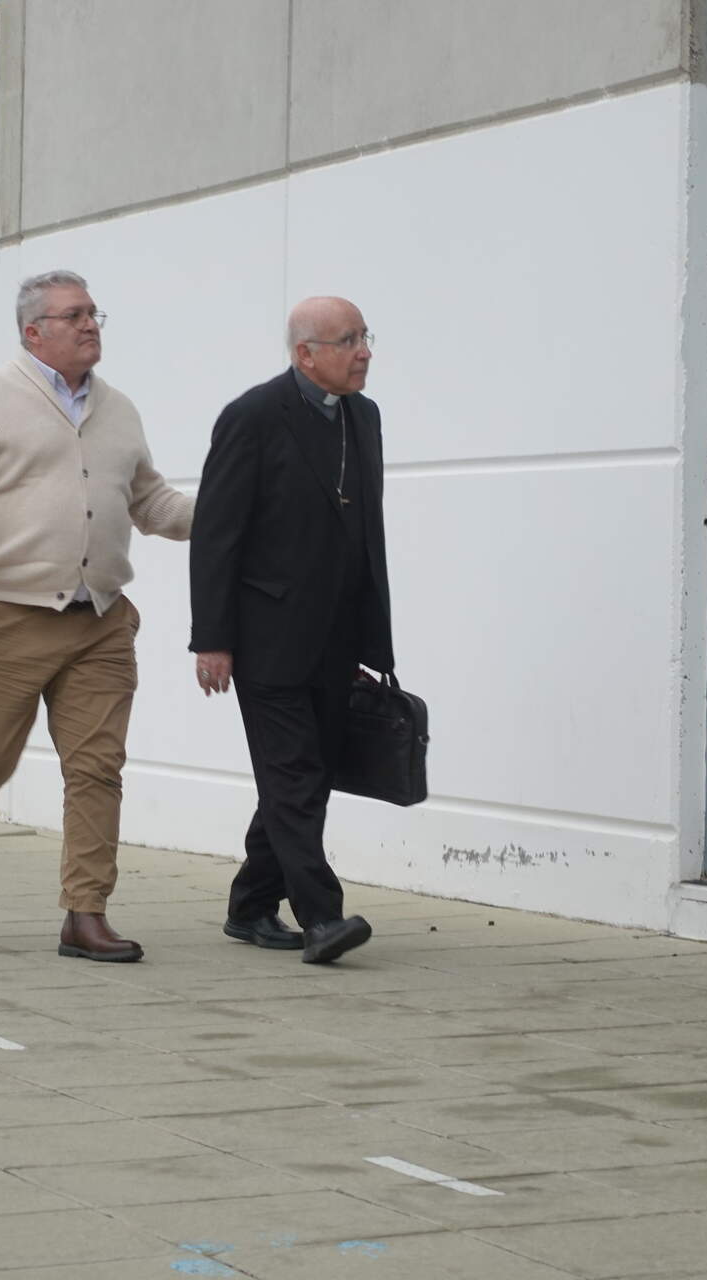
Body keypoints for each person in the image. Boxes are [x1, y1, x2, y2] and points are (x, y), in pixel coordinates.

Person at [0, 270, 192, 962]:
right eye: (74, 316)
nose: (91, 324)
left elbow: (151, 503)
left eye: (95, 313)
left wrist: (233, 512)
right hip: (4, 616)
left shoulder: (119, 409)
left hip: (100, 620)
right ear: (33, 331)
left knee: (97, 769)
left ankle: (84, 912)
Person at [189, 296, 394, 965]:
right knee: (295, 774)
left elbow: (367, 537)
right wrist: (212, 639)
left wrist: (374, 643)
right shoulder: (252, 417)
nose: (364, 351)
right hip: (267, 638)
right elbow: (216, 537)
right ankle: (323, 917)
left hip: (337, 641)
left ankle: (250, 903)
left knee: (307, 776)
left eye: (366, 336)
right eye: (348, 340)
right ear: (306, 353)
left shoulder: (364, 417)